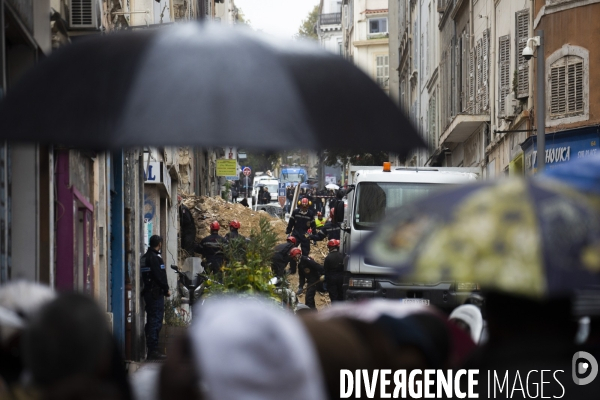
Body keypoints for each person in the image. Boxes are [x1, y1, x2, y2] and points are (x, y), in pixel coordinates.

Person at [141, 235, 170, 360]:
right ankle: (153, 350)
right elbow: (159, 276)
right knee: (155, 321)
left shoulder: (145, 257)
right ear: (159, 244)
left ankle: (151, 348)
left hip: (148, 292)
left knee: (152, 320)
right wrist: (166, 289)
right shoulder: (155, 258)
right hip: (155, 293)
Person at [286, 197, 317, 294]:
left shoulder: (311, 214)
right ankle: (292, 269)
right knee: (292, 250)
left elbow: (313, 226)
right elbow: (291, 223)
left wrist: (314, 237)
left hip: (305, 235)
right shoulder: (295, 212)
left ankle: (306, 271)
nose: (304, 208)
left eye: (306, 207)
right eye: (303, 207)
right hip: (296, 233)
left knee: (305, 254)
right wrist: (288, 232)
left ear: (308, 206)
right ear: (300, 205)